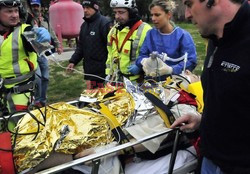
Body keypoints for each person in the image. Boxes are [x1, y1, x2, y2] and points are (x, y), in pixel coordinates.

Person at [171, 0, 250, 173]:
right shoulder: (215, 38)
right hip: (209, 159)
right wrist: (203, 120)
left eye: (189, 4)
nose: (187, 14)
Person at [0, 0, 51, 114]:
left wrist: (44, 39)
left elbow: (42, 47)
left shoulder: (25, 30)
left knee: (20, 127)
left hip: (21, 92)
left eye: (16, 11)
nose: (14, 15)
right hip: (2, 91)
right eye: (9, 11)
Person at [135, 0, 197, 81]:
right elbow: (141, 55)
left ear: (168, 15)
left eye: (157, 15)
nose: (153, 18)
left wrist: (171, 70)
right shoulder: (150, 34)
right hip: (152, 83)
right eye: (152, 15)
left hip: (175, 83)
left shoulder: (182, 36)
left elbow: (191, 61)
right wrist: (144, 61)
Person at [66, 0, 112, 89]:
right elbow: (81, 46)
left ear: (95, 8)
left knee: (104, 98)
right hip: (89, 71)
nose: (85, 10)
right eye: (84, 8)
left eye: (88, 8)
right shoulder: (84, 25)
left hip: (103, 72)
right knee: (92, 97)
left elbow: (112, 48)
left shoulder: (104, 23)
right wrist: (73, 61)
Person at [26, 0, 62, 107]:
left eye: (37, 6)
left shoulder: (45, 19)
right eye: (33, 6)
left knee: (45, 77)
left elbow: (51, 32)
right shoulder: (28, 19)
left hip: (43, 53)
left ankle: (42, 100)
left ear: (41, 7)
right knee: (37, 77)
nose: (35, 8)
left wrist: (58, 45)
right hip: (32, 54)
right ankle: (36, 100)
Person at [105, 0, 151, 83]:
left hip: (139, 82)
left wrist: (140, 66)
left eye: (121, 12)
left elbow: (153, 57)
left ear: (132, 12)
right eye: (115, 12)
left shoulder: (146, 30)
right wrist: (109, 74)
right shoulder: (113, 31)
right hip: (117, 80)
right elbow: (110, 55)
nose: (117, 16)